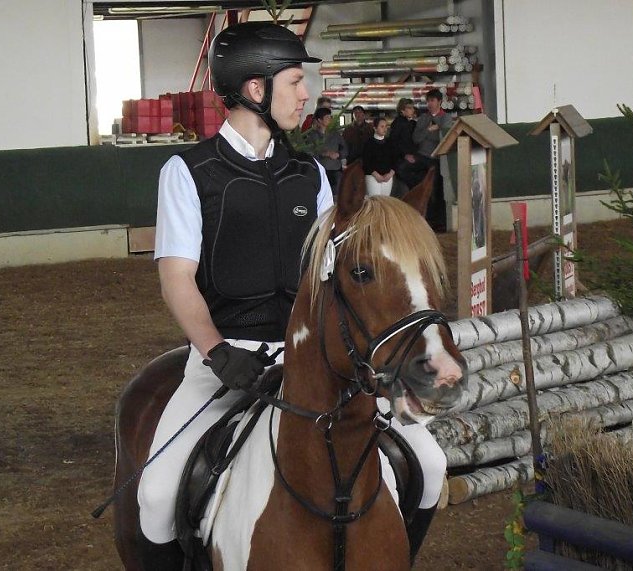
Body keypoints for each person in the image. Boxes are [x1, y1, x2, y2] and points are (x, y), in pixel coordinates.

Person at [138, 21, 333, 565]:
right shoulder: (189, 172)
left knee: (426, 463)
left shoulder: (310, 173)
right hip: (225, 360)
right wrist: (219, 354)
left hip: (307, 363)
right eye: (295, 81)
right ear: (255, 89)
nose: (305, 94)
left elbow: (326, 276)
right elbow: (176, 277)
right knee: (154, 498)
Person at [399, 89, 454, 231]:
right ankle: (419, 185)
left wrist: (429, 133)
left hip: (436, 158)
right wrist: (429, 130)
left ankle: (436, 222)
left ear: (439, 102)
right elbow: (416, 138)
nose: (430, 103)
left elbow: (444, 137)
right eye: (428, 101)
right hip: (422, 155)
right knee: (403, 169)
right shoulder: (423, 118)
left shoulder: (446, 118)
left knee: (436, 191)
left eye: (432, 101)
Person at [305, 106, 348, 194]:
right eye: (327, 117)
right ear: (320, 120)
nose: (330, 119)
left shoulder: (336, 134)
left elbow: (344, 148)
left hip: (336, 169)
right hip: (320, 170)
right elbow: (309, 152)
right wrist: (325, 153)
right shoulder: (312, 136)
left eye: (330, 117)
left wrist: (339, 154)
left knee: (337, 195)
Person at [361, 116, 397, 196]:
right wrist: (377, 176)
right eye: (382, 126)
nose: (385, 129)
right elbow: (366, 162)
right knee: (374, 202)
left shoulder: (390, 143)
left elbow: (395, 160)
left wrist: (390, 174)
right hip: (372, 177)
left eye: (386, 126)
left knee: (385, 202)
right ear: (375, 128)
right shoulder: (368, 143)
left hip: (388, 177)